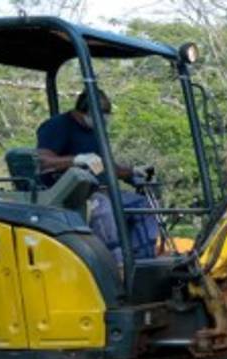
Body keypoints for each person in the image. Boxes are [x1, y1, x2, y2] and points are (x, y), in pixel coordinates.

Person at [36, 87, 157, 264]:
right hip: (69, 194)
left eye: (107, 114)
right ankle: (116, 265)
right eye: (101, 114)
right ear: (82, 112)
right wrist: (75, 160)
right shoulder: (57, 126)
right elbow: (42, 161)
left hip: (101, 190)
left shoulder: (95, 131)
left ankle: (143, 262)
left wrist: (132, 172)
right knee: (103, 207)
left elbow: (104, 166)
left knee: (142, 205)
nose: (104, 118)